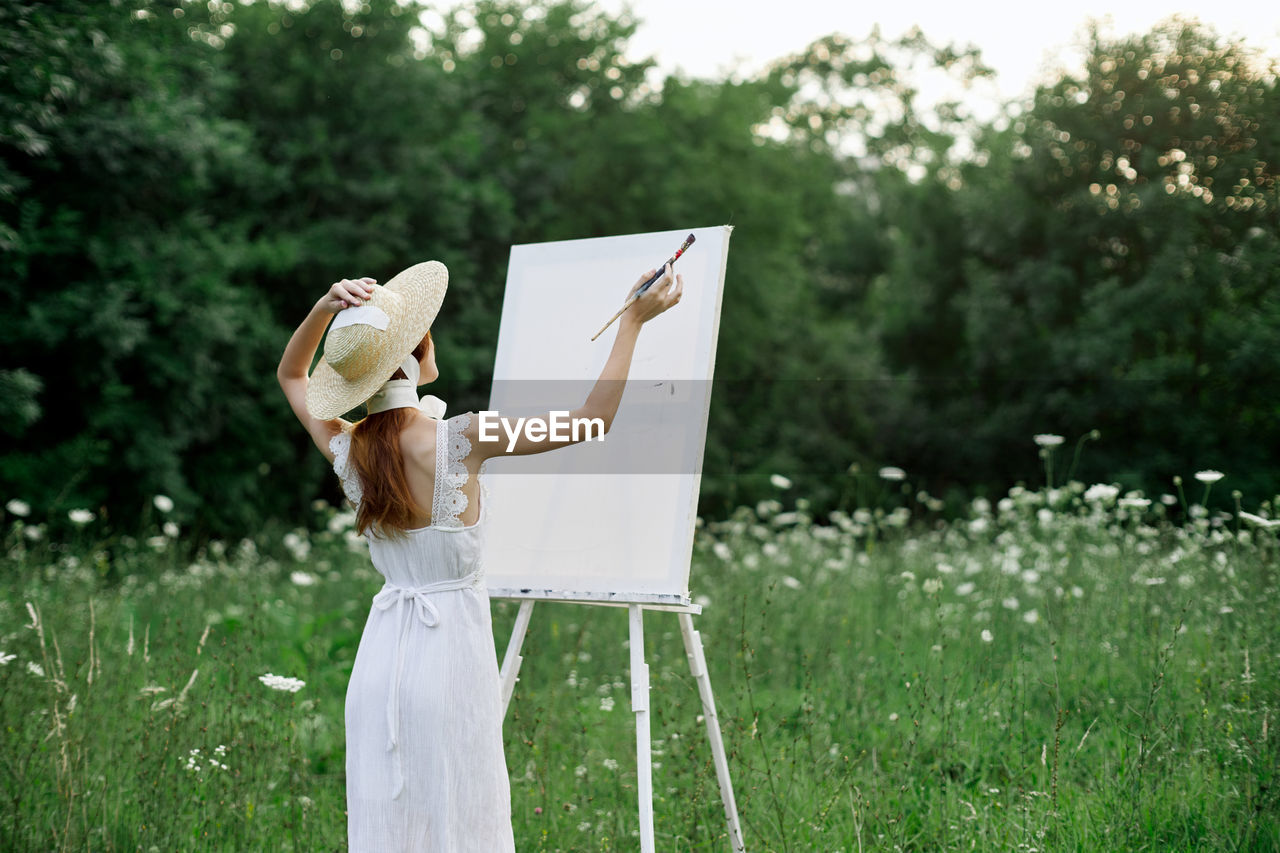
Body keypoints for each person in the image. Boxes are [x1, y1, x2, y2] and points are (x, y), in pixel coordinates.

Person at [276, 258, 683, 851]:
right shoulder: (465, 436)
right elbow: (592, 423)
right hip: (448, 659)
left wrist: (324, 306)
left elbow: (291, 375)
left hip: (381, 660)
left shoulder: (345, 446)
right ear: (411, 358)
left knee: (391, 822)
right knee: (462, 814)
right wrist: (633, 324)